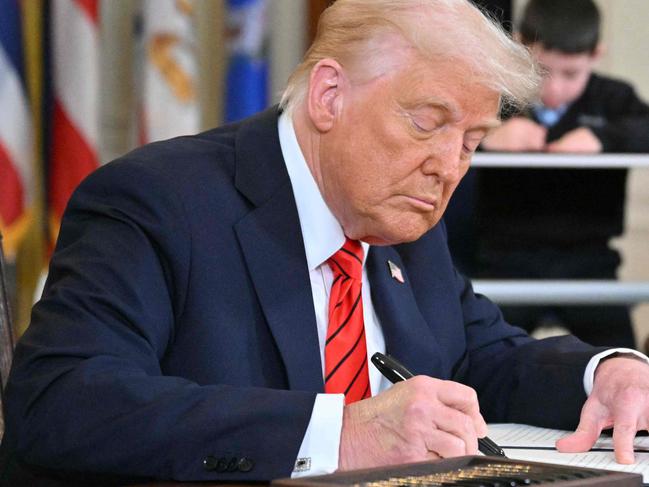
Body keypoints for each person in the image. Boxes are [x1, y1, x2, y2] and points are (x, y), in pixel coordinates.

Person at [2, 0, 649, 484]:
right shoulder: (157, 201)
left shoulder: (403, 222)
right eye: (427, 124)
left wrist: (605, 374)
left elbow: (480, 357)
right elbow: (60, 402)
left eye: (473, 140)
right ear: (329, 95)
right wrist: (338, 433)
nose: (449, 165)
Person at [477, 0, 649, 348]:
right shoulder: (496, 97)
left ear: (596, 54)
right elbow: (441, 129)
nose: (553, 89)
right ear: (520, 45)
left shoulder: (613, 98)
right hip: (506, 262)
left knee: (626, 364)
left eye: (570, 74)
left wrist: (603, 138)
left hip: (589, 262)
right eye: (541, 72)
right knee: (479, 354)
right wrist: (484, 137)